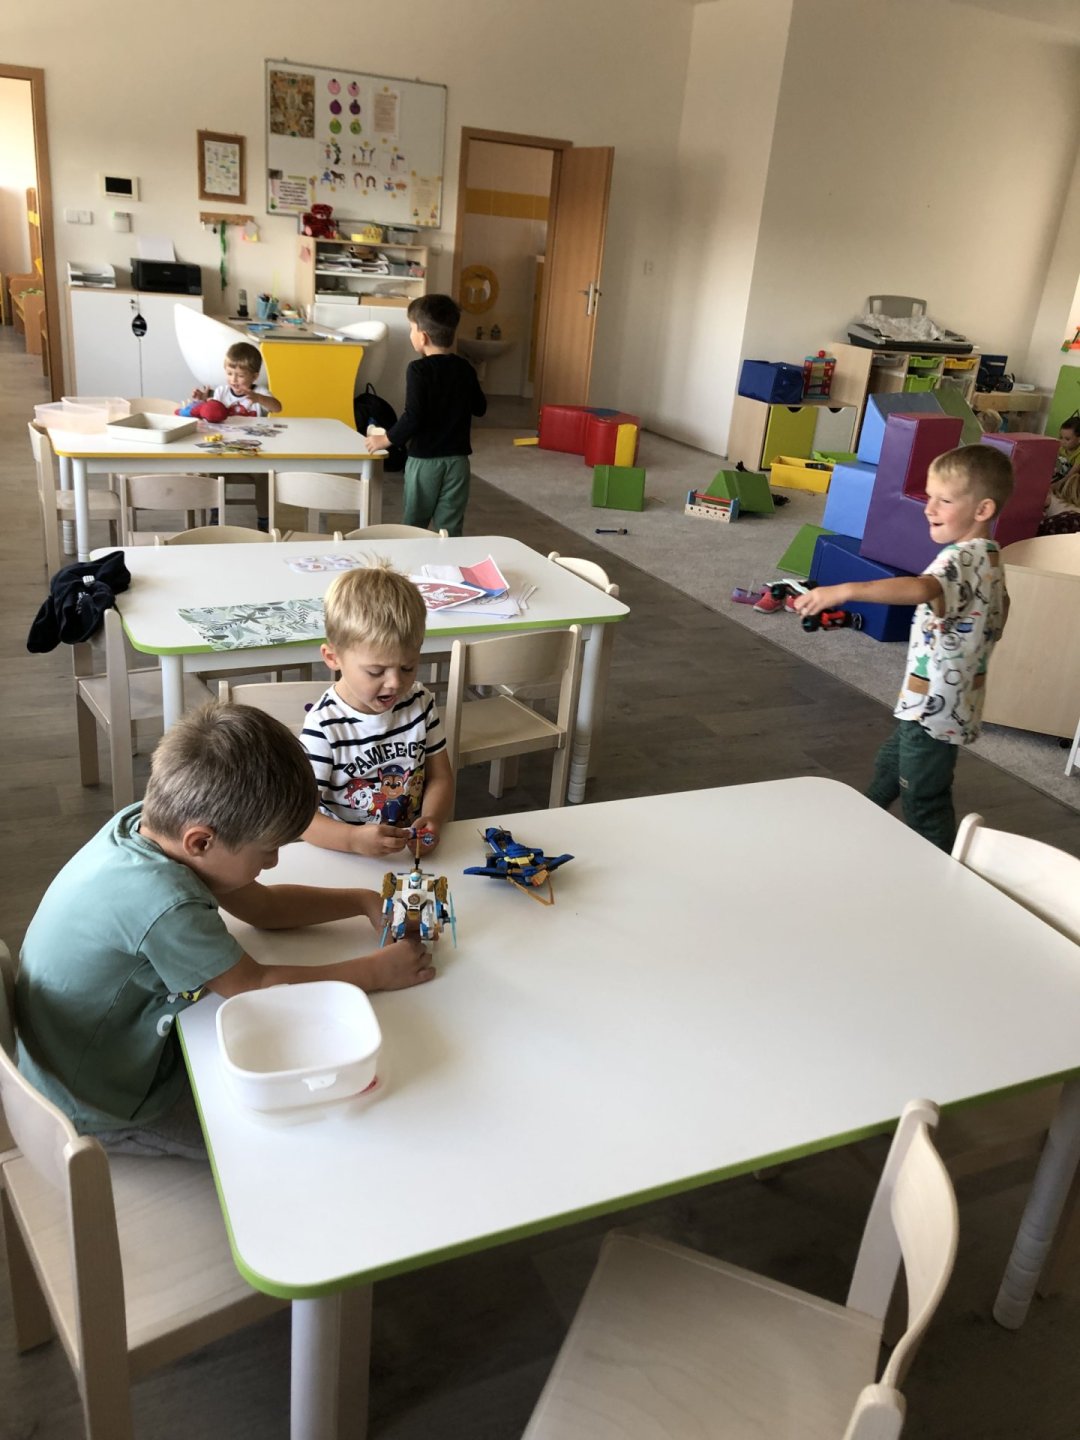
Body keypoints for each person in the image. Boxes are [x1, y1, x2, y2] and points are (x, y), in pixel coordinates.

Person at [15, 701, 434, 1159]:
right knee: (296, 1141)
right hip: (100, 1101)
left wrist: (359, 901)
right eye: (267, 850)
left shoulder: (154, 826)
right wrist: (376, 972)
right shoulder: (164, 902)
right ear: (201, 841)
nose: (273, 862)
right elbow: (254, 986)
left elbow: (265, 908)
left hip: (88, 1048)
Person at [794, 444, 1013, 851]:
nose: (929, 508)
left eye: (944, 500)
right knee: (889, 768)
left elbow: (920, 589)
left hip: (934, 708)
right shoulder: (991, 556)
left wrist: (843, 590)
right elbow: (1000, 611)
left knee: (924, 800)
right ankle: (857, 826)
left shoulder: (960, 558)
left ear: (983, 510)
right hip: (943, 701)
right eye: (929, 496)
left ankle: (943, 868)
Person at [300, 561, 455, 858]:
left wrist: (432, 818)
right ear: (332, 658)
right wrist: (352, 840)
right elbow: (302, 818)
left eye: (407, 667)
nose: (395, 683)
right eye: (376, 671)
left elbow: (440, 777)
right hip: (345, 855)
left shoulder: (419, 702)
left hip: (407, 853)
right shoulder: (324, 726)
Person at [364, 293, 486, 536]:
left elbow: (413, 416)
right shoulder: (465, 367)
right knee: (450, 528)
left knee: (414, 524)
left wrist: (386, 439)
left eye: (411, 328)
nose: (411, 334)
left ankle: (413, 560)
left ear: (423, 336)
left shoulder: (418, 369)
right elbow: (480, 408)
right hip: (458, 462)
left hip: (425, 462)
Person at [191, 340, 282, 529]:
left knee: (265, 478)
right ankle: (215, 512)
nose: (234, 379)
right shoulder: (222, 391)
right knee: (212, 473)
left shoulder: (260, 392)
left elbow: (277, 407)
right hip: (225, 449)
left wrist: (259, 398)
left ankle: (264, 519)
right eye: (230, 373)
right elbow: (211, 411)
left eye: (240, 375)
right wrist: (203, 400)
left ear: (254, 376)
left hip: (254, 452)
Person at [1038, 412, 1080, 536]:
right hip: (1060, 477)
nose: (1063, 442)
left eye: (1067, 439)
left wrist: (1056, 485)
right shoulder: (1061, 449)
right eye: (1061, 437)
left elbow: (1070, 475)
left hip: (1071, 482)